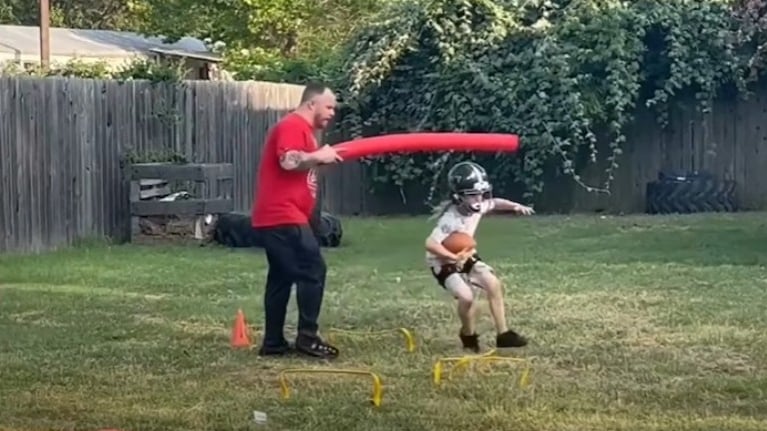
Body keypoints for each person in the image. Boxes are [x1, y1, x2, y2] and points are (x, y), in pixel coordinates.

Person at [251, 82, 343, 359]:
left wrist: (318, 161)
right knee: (313, 270)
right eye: (328, 106)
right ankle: (308, 338)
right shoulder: (293, 126)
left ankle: (274, 343)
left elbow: (300, 171)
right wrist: (317, 155)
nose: (332, 113)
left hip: (280, 215)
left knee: (281, 278)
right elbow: (288, 162)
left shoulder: (305, 132)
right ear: (311, 104)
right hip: (282, 215)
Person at [425, 160, 535, 353]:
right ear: (458, 196)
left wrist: (515, 206)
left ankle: (503, 334)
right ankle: (468, 335)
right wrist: (451, 257)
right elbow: (431, 244)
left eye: (481, 194)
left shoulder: (478, 205)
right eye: (473, 195)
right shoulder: (450, 219)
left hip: (465, 254)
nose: (478, 199)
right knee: (466, 298)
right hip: (442, 261)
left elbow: (494, 203)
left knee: (493, 283)